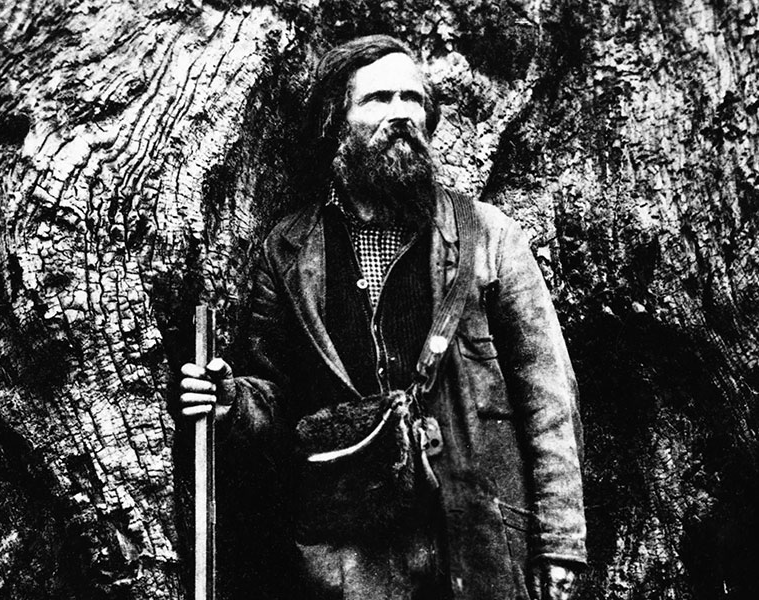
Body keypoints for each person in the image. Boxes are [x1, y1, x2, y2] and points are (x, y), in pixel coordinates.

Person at [179, 35, 586, 600]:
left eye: (411, 99)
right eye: (377, 99)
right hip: (351, 550)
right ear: (336, 123)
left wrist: (560, 540)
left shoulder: (490, 236)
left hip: (475, 535)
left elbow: (548, 395)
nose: (400, 114)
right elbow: (278, 394)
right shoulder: (290, 250)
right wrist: (232, 402)